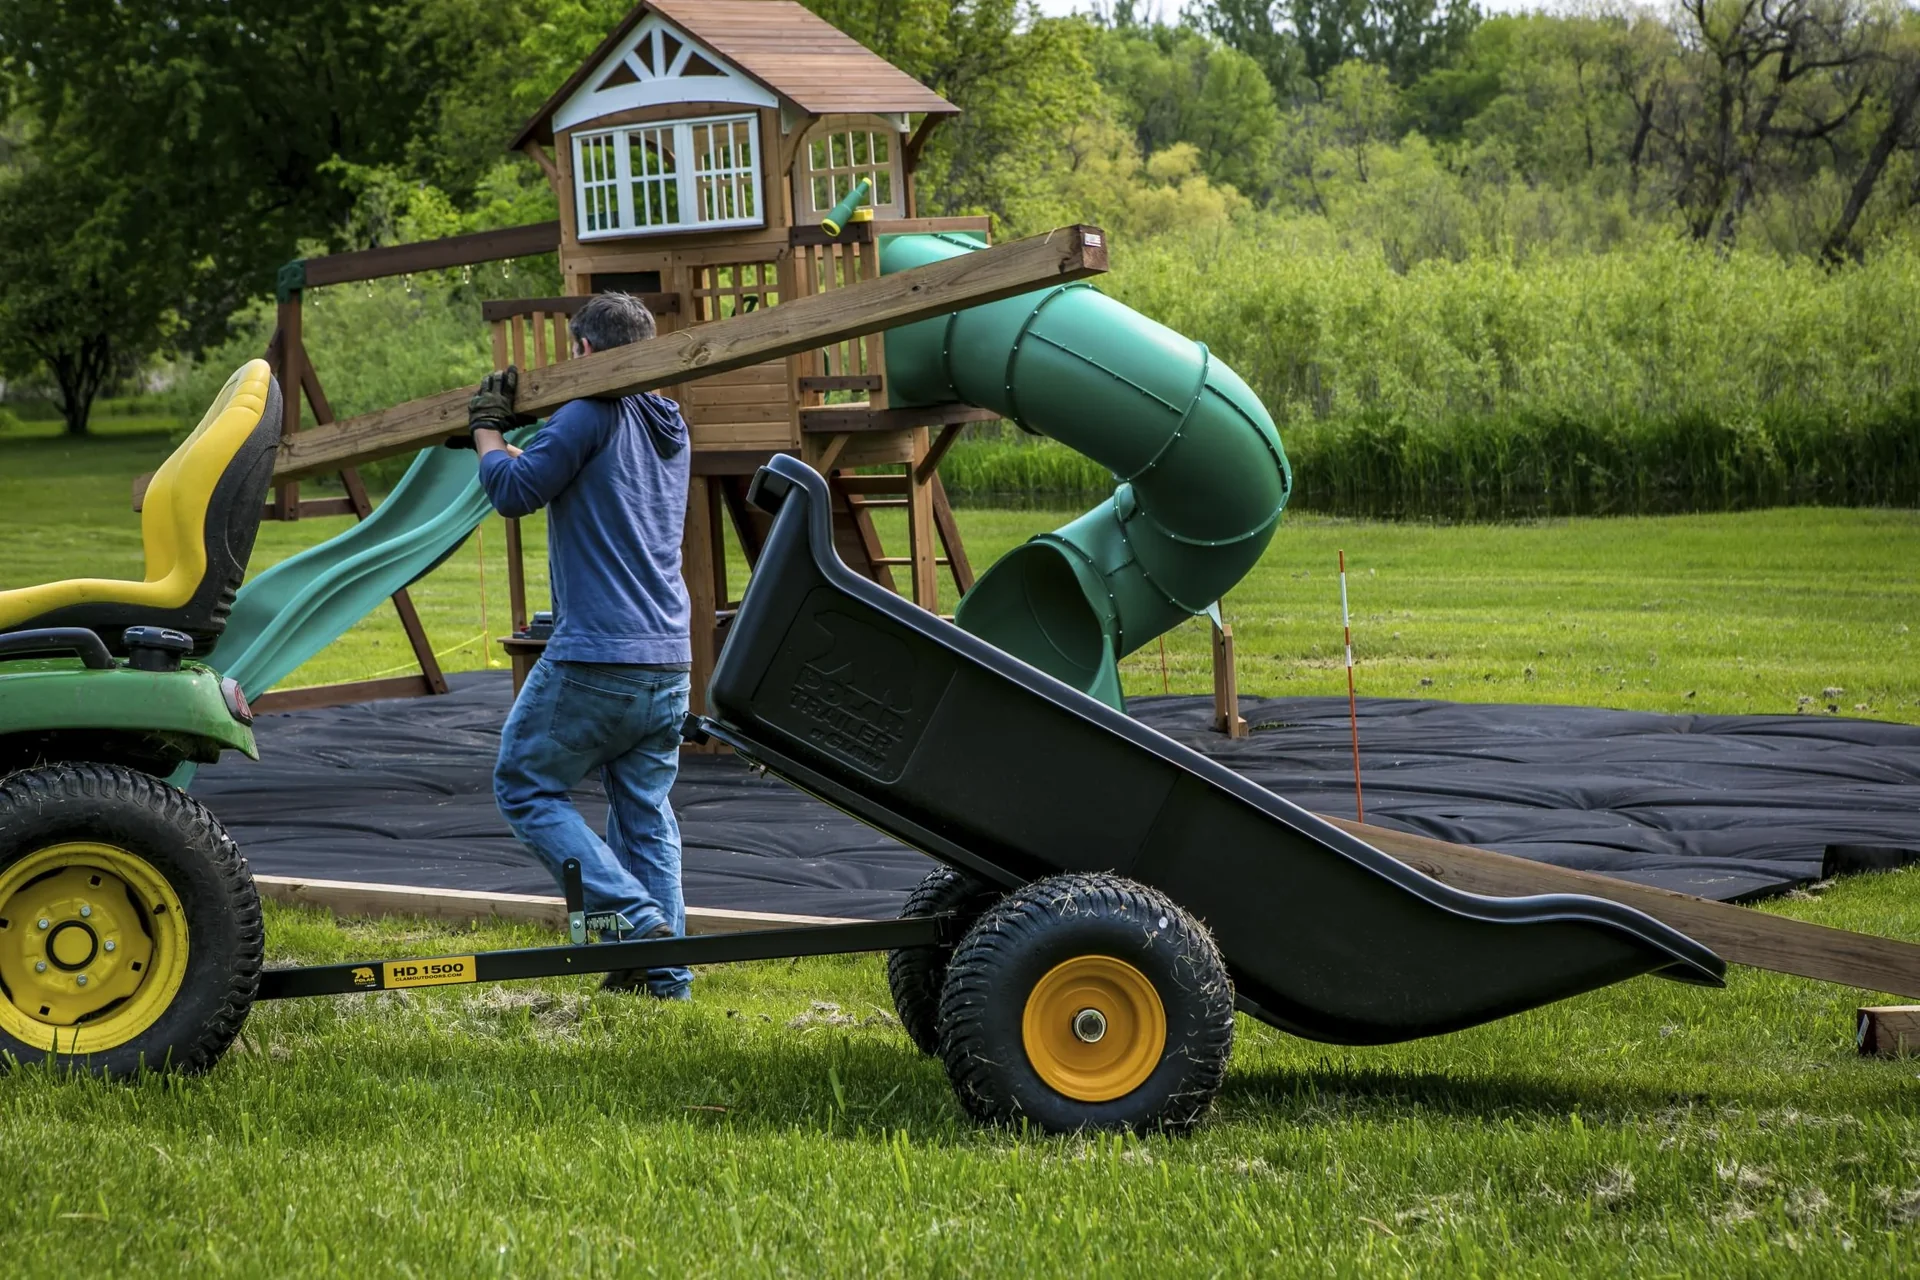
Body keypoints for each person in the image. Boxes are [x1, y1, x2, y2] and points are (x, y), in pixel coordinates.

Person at [456, 292, 694, 999]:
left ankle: (634, 917)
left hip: (599, 655)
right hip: (669, 658)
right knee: (645, 817)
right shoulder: (671, 424)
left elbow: (515, 490)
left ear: (585, 352)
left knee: (526, 786)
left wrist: (488, 432)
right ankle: (660, 977)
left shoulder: (589, 413)